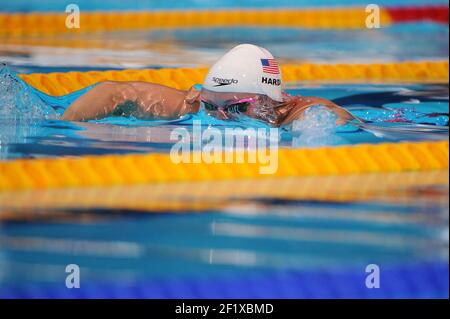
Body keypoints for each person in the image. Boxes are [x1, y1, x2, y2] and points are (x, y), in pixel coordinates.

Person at [62, 44, 355, 126]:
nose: (220, 117)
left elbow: (337, 119)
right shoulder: (191, 106)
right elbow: (111, 91)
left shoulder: (291, 112)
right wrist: (64, 125)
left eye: (237, 107)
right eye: (210, 106)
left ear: (271, 102)